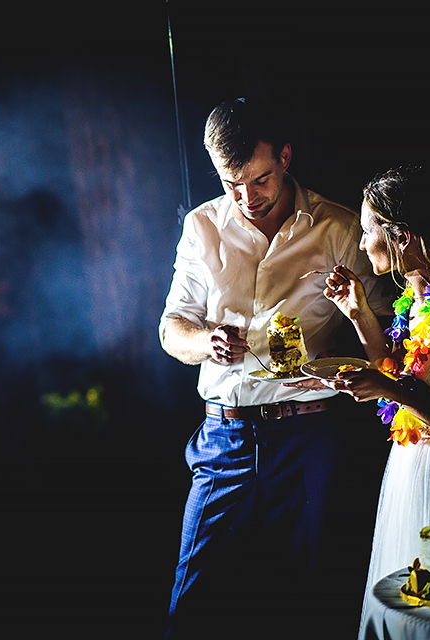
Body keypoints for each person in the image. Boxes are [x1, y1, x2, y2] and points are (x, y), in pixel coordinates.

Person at [159, 97, 393, 638]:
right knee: (192, 600)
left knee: (312, 595)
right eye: (231, 184)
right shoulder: (201, 226)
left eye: (259, 179)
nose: (247, 198)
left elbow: (388, 330)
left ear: (285, 157)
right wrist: (206, 341)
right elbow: (172, 329)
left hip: (310, 435)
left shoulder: (338, 228)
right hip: (224, 439)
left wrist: (353, 326)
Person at [318, 166, 430, 638]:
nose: (360, 245)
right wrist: (358, 313)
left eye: (367, 231)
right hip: (407, 464)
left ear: (402, 237)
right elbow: (398, 373)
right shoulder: (414, 307)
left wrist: (385, 389)